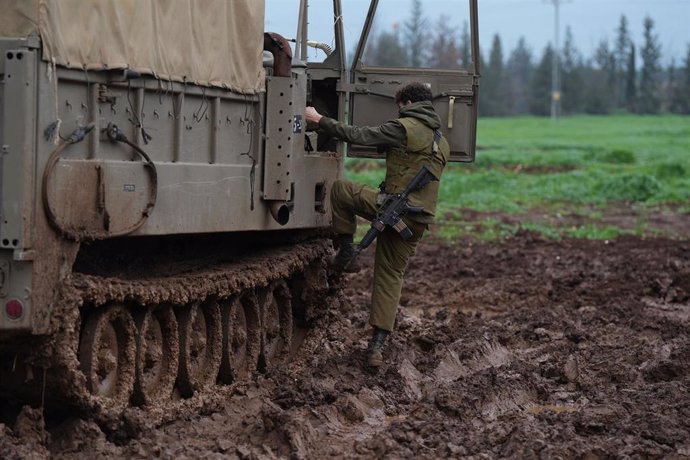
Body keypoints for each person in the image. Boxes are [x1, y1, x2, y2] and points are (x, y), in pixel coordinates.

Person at [304, 81, 449, 368]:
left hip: (395, 209)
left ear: (407, 103)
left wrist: (319, 120)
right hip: (417, 221)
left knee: (342, 191)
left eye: (400, 107)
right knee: (390, 277)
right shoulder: (440, 141)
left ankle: (346, 253)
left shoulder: (404, 127)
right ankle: (376, 347)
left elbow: (360, 135)